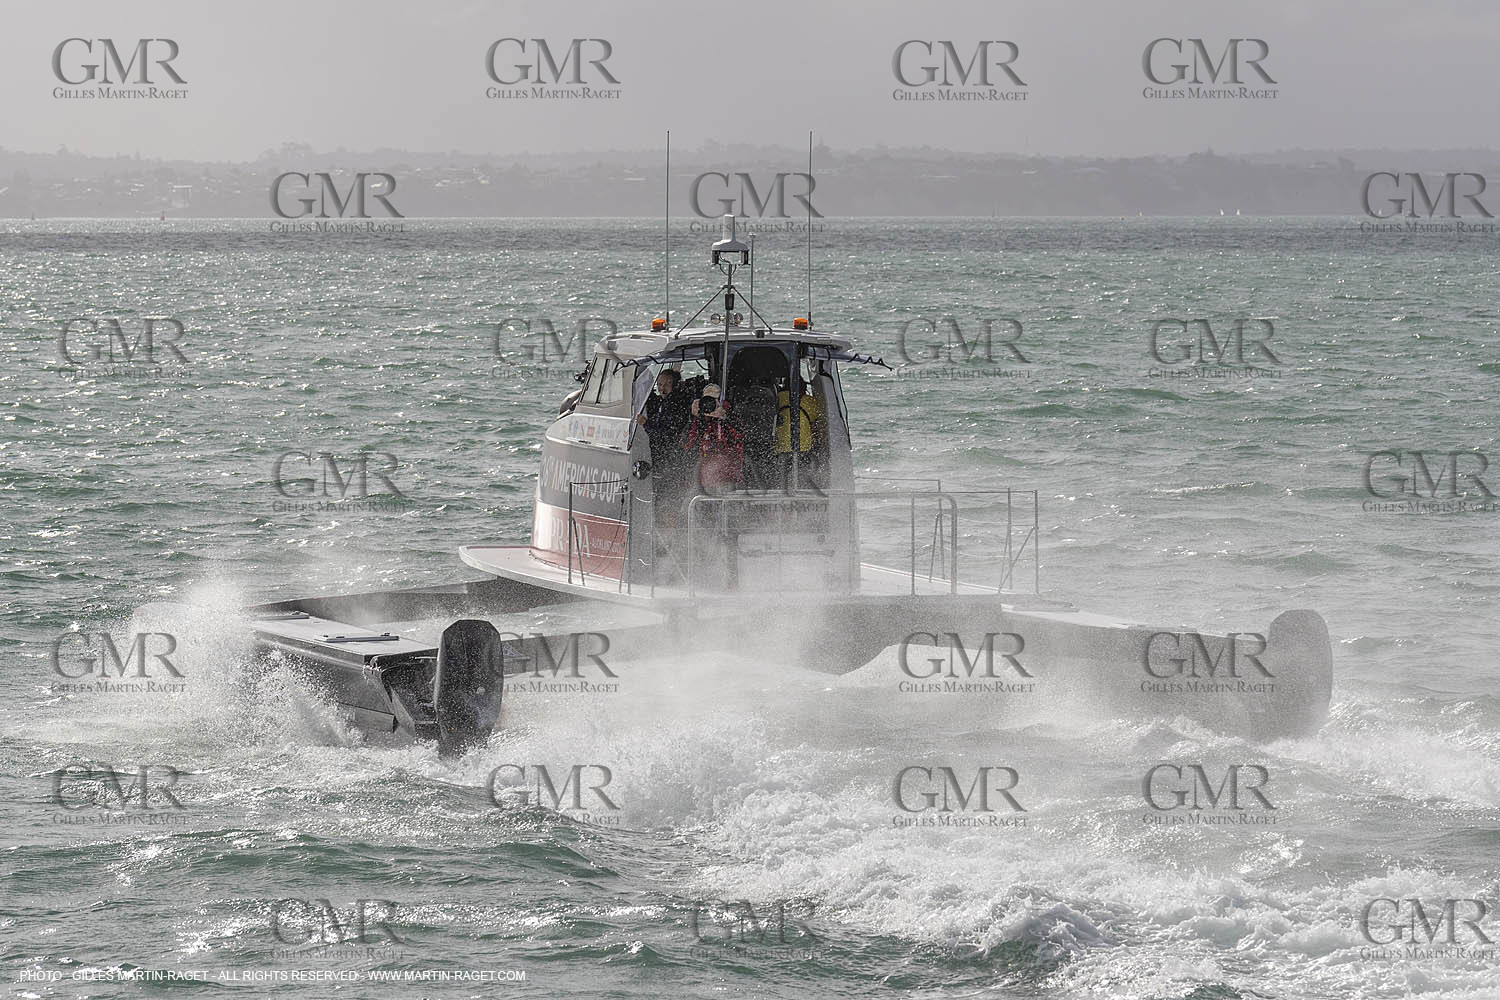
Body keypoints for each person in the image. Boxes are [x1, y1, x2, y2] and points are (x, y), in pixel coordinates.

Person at [638, 369, 691, 525]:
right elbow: (656, 405)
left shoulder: (676, 404)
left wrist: (645, 424)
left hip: (672, 462)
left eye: (667, 384)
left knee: (668, 500)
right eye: (660, 384)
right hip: (665, 461)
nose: (662, 388)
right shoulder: (666, 401)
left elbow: (666, 434)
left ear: (676, 385)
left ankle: (669, 529)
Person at [684, 384, 745, 494]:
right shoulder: (701, 420)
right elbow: (686, 443)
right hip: (705, 478)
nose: (710, 404)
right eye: (707, 399)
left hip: (729, 477)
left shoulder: (732, 415)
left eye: (714, 400)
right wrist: (693, 417)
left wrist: (726, 417)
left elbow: (741, 436)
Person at [775, 374, 825, 489]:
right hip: (804, 448)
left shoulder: (778, 398)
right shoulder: (810, 401)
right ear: (803, 388)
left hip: (780, 448)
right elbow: (815, 423)